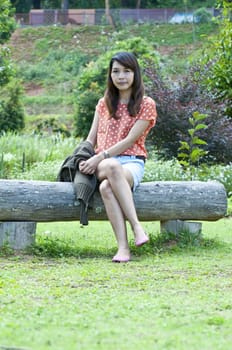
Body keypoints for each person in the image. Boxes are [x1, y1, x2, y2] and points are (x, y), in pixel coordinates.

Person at [79, 51, 157, 263]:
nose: (121, 76)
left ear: (135, 74)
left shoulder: (146, 103)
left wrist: (101, 156)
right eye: (116, 71)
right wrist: (82, 157)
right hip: (104, 164)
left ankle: (123, 248)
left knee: (106, 187)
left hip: (132, 162)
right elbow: (90, 138)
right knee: (111, 166)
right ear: (110, 75)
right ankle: (137, 226)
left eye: (126, 71)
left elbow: (131, 140)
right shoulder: (103, 103)